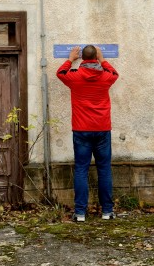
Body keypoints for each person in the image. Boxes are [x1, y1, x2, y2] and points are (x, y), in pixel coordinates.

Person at [56, 45, 119, 222]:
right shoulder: (106, 76)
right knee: (104, 169)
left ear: (82, 58)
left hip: (81, 129)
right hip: (102, 129)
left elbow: (60, 73)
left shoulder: (74, 77)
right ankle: (107, 212)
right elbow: (115, 73)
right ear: (96, 57)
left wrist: (70, 59)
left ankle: (80, 213)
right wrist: (103, 59)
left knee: (81, 169)